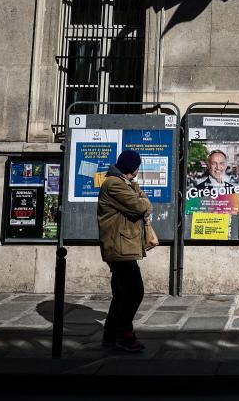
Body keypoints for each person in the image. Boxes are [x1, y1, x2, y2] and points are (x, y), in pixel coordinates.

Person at [98, 150, 152, 352]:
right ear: (133, 168)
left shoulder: (122, 183)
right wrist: (143, 200)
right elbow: (140, 206)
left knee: (121, 293)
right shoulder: (114, 184)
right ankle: (125, 334)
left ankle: (111, 335)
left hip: (122, 245)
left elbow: (139, 199)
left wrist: (135, 188)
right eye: (137, 167)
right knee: (135, 291)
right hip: (119, 247)